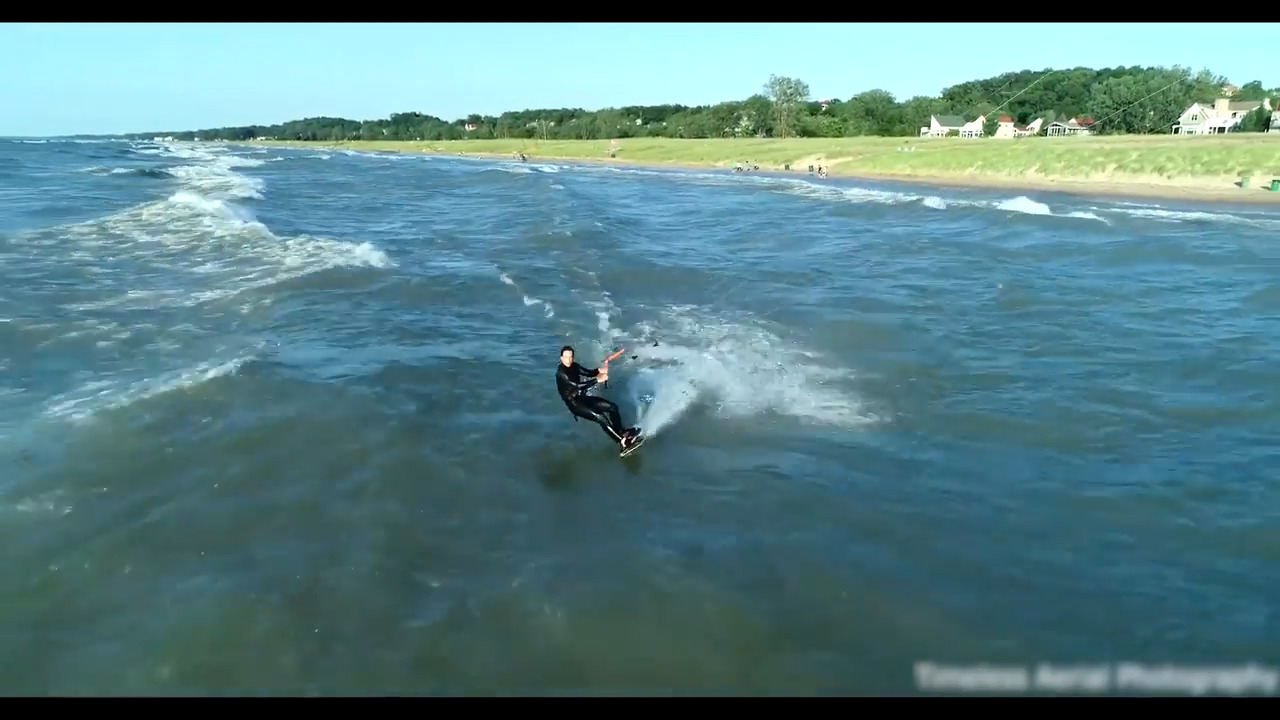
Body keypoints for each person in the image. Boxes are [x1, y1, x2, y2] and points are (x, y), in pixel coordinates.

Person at [556, 345, 640, 449]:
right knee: (601, 417)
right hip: (574, 404)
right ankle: (622, 442)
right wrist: (597, 380)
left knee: (612, 407)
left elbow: (587, 373)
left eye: (570, 357)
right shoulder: (561, 373)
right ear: (561, 358)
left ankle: (622, 432)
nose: (568, 360)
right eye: (566, 357)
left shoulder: (574, 366)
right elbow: (577, 385)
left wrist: (598, 370)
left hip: (583, 398)